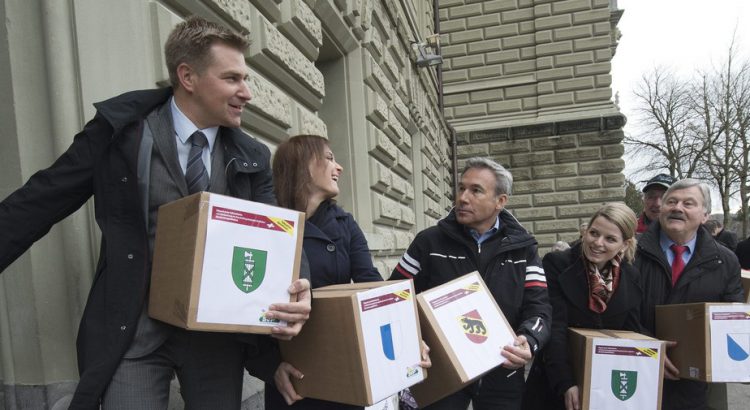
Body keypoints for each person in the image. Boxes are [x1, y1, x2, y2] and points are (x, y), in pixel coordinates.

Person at [0, 16, 312, 409]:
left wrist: (300, 284)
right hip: (133, 330)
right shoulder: (120, 132)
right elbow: (44, 197)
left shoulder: (251, 154)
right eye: (232, 78)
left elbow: (278, 234)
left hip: (216, 338)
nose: (247, 92)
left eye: (245, 79)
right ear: (188, 76)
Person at [264, 135, 431, 409]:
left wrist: (409, 336)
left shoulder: (344, 224)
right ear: (303, 164)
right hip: (291, 371)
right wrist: (270, 366)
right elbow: (249, 306)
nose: (339, 167)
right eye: (329, 158)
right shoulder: (268, 222)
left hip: (341, 365)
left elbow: (372, 284)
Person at [389, 157, 551, 410]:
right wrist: (412, 339)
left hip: (503, 377)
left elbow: (539, 308)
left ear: (500, 201)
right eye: (461, 188)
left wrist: (529, 340)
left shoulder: (524, 250)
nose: (463, 198)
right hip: (441, 377)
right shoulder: (428, 242)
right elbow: (393, 300)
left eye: (476, 190)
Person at [636, 179, 745, 410]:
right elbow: (617, 313)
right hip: (637, 376)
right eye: (671, 202)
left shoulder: (725, 261)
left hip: (696, 387)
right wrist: (649, 350)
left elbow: (733, 322)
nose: (677, 208)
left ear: (705, 215)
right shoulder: (631, 253)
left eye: (688, 203)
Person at [523, 203, 643, 410]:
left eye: (610, 239)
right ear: (585, 232)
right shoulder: (558, 263)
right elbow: (555, 327)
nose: (598, 243)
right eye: (594, 233)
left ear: (624, 245)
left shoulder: (631, 276)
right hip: (556, 379)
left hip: (605, 385)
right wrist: (566, 382)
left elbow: (631, 334)